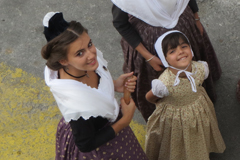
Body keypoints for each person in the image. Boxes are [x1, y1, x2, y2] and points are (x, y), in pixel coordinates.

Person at [41, 12, 148, 160]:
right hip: (98, 145)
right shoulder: (77, 104)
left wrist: (114, 84)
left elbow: (95, 89)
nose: (91, 54)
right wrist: (124, 120)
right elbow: (85, 144)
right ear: (63, 61)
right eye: (80, 53)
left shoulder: (84, 65)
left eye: (89, 44)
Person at [111, 0, 222, 121]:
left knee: (192, 70)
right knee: (163, 83)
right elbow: (120, 23)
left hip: (184, 26)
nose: (179, 52)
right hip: (150, 45)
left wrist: (196, 18)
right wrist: (149, 57)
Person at [145, 30, 225, 160]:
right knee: (178, 141)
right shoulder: (164, 83)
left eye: (184, 46)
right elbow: (149, 97)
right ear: (165, 59)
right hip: (175, 117)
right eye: (172, 51)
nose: (180, 52)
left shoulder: (201, 68)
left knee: (199, 133)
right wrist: (160, 104)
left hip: (199, 108)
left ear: (190, 49)